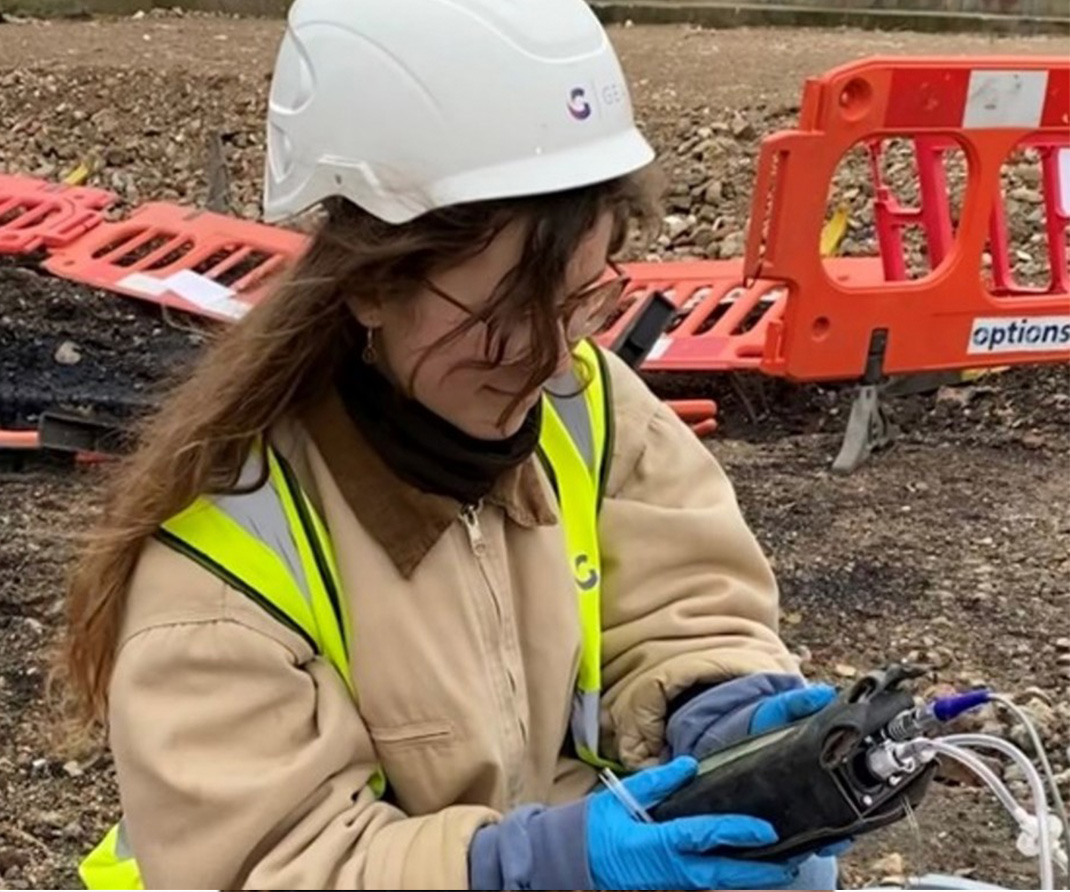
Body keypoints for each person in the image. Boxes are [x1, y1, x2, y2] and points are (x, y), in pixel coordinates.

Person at [61, 0, 843, 888]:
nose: (549, 356)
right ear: (369, 287)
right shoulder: (221, 558)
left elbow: (681, 602)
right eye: (503, 314)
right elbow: (274, 865)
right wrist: (534, 866)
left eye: (582, 297)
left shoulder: (587, 405)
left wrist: (719, 704)